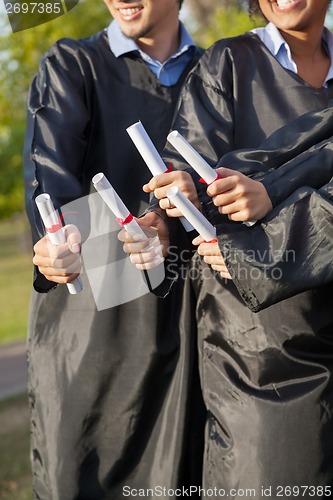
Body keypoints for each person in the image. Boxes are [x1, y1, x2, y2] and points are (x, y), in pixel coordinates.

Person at [120, 0, 333, 498]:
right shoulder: (228, 65)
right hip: (263, 352)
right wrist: (168, 212)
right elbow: (183, 179)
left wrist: (270, 195)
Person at [23, 1, 205, 499]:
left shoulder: (216, 71)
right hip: (88, 337)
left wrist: (169, 226)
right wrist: (55, 239)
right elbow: (49, 177)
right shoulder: (72, 66)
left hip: (193, 325)